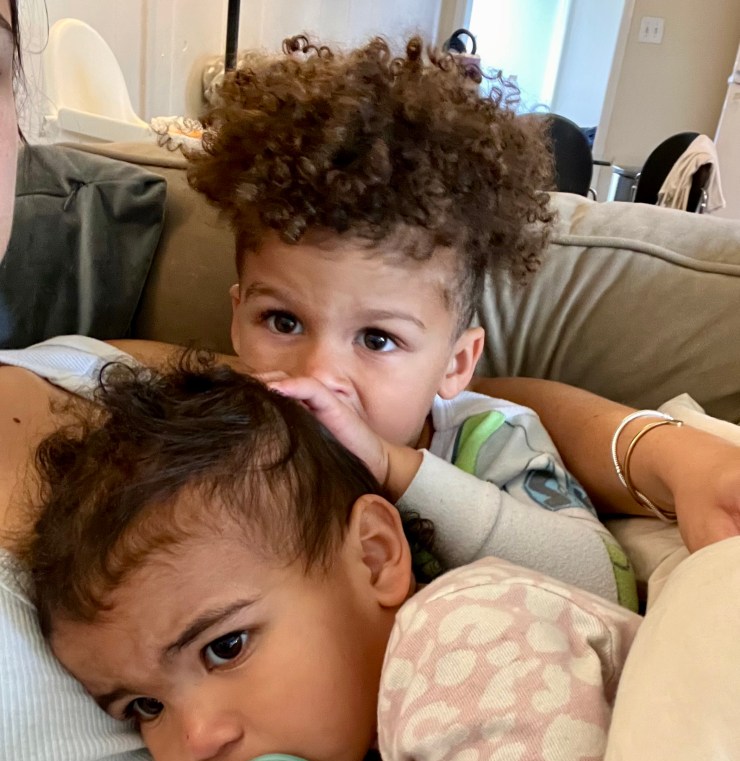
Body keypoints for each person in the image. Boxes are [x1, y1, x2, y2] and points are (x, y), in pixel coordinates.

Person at [21, 356, 640, 761]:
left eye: (225, 647)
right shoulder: (367, 750)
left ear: (374, 557)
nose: (200, 739)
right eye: (145, 707)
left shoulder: (469, 632)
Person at [0, 5, 374, 761]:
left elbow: (404, 408)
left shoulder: (101, 377)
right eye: (140, 708)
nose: (199, 741)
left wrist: (648, 448)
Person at [186, 36, 637, 610]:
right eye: (282, 321)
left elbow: (608, 584)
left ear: (456, 364)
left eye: (377, 339)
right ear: (237, 319)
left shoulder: (491, 443)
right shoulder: (223, 425)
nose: (318, 374)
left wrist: (393, 467)